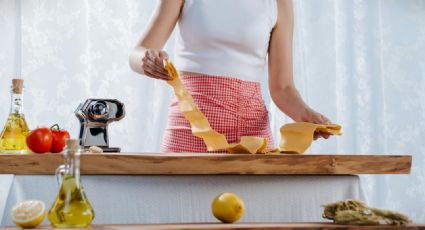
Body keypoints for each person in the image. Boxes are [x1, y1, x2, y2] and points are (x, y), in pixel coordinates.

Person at [129, 0, 331, 153]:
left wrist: (306, 114)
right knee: (183, 203)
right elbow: (137, 53)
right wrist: (146, 59)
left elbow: (283, 87)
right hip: (189, 129)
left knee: (251, 207)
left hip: (253, 137)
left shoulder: (279, 2)